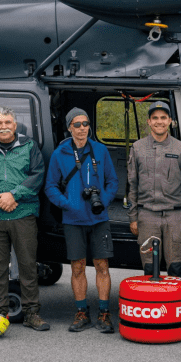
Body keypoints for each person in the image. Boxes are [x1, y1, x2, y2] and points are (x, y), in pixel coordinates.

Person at [0, 107, 50, 331]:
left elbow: (37, 174)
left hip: (23, 213)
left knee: (27, 265)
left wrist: (14, 195)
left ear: (15, 125)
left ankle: (31, 313)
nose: (3, 126)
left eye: (8, 122)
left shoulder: (29, 146)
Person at [44, 108, 119, 333]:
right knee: (77, 267)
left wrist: (102, 202)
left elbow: (112, 182)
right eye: (77, 124)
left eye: (86, 124)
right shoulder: (60, 154)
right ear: (69, 127)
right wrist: (68, 204)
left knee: (102, 265)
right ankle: (81, 312)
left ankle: (104, 313)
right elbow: (50, 186)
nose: (82, 128)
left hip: (99, 218)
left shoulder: (100, 150)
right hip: (73, 219)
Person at [127, 101, 181, 276]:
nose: (159, 121)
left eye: (163, 118)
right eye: (155, 118)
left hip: (174, 216)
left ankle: (172, 303)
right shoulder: (137, 148)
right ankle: (152, 304)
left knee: (175, 267)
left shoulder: (180, 149)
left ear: (170, 121)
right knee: (150, 268)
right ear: (149, 122)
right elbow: (132, 186)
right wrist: (133, 217)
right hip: (147, 215)